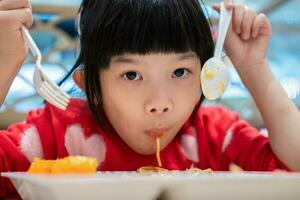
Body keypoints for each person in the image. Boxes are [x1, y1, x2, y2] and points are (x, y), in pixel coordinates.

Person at [0, 0, 300, 198]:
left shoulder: (216, 136)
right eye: (131, 75)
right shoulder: (54, 134)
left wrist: (253, 68)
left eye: (180, 71)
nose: (160, 102)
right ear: (91, 85)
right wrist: (4, 63)